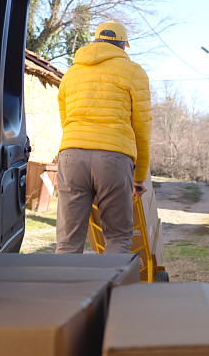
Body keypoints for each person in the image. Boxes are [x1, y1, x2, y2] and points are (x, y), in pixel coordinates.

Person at [55, 21, 152, 254]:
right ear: (123, 46)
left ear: (96, 41)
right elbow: (142, 128)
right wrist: (139, 177)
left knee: (67, 242)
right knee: (117, 237)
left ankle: (63, 280)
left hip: (72, 156)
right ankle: (113, 279)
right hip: (113, 158)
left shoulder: (72, 72)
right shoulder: (133, 72)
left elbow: (65, 119)